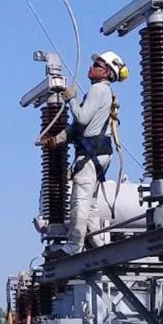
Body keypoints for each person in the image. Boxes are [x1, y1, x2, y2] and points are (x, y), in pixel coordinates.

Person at [40, 51, 128, 255]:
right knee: (91, 203)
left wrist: (71, 100)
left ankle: (73, 246)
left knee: (79, 200)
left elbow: (81, 118)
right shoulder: (103, 92)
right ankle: (98, 243)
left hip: (90, 154)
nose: (91, 67)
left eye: (97, 65)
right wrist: (57, 139)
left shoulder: (98, 89)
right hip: (99, 153)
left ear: (106, 72)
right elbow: (79, 128)